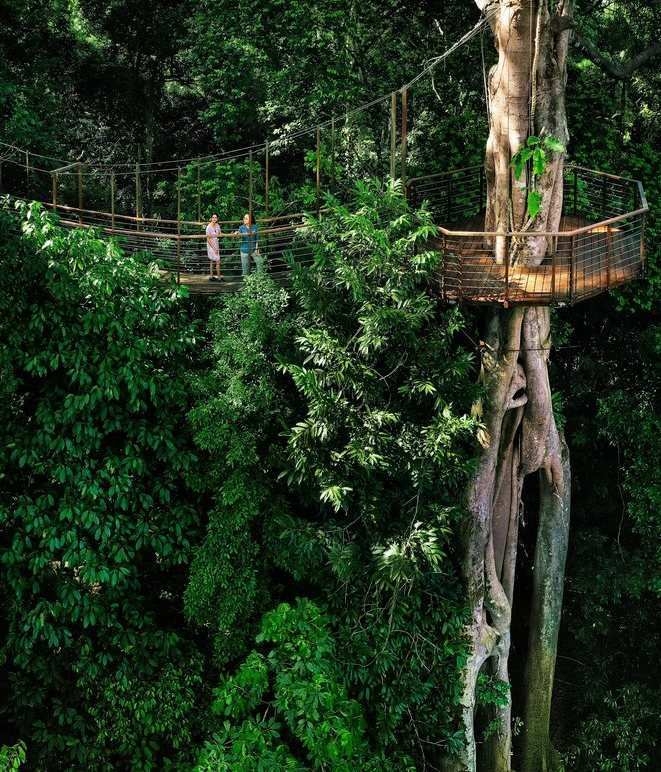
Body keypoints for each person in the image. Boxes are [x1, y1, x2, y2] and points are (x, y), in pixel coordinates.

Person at [206, 213, 223, 281]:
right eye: (213, 217)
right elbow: (208, 239)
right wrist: (214, 248)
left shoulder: (217, 225)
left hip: (216, 243)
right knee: (217, 261)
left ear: (217, 219)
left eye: (215, 217)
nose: (214, 219)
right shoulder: (208, 227)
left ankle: (211, 276)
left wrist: (230, 234)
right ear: (211, 218)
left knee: (212, 261)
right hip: (211, 245)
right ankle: (219, 277)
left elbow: (220, 234)